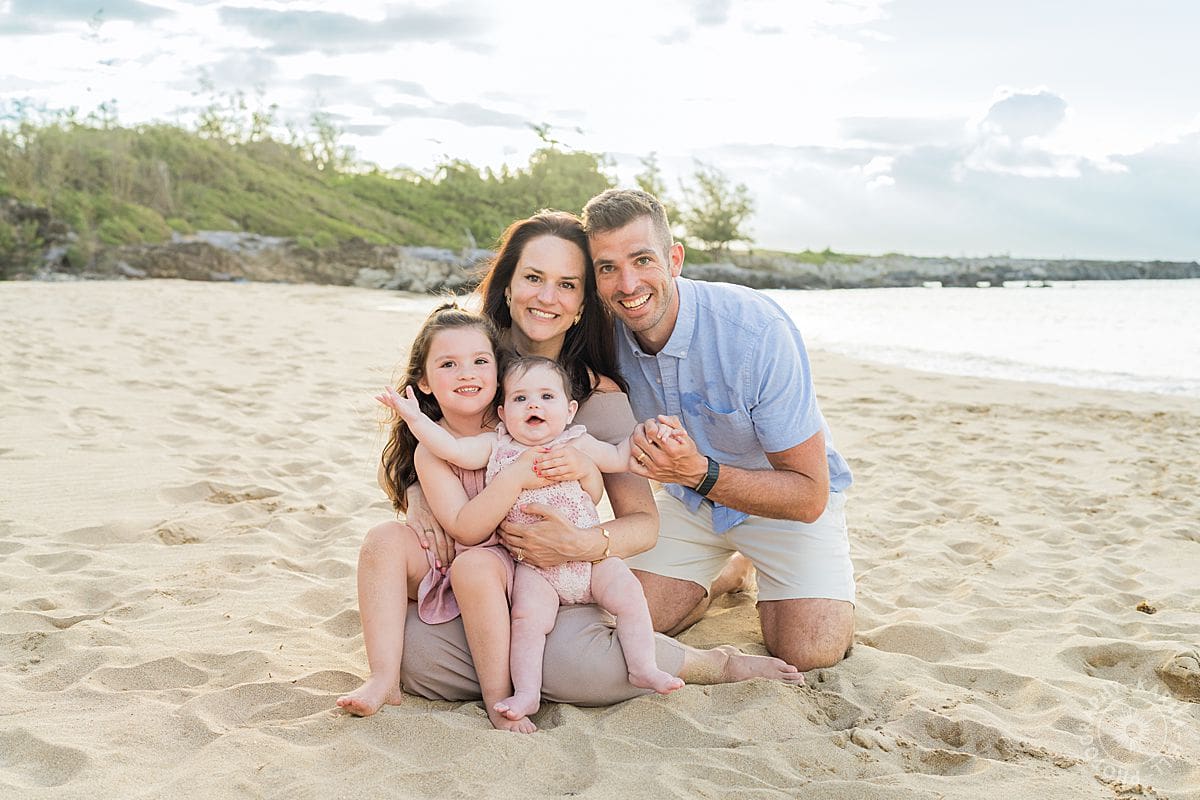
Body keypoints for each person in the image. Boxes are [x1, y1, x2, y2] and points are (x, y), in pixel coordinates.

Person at [391, 211, 808, 708]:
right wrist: (416, 494)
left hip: (557, 571)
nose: (547, 297)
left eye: (567, 284)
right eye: (533, 278)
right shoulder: (471, 359)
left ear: (583, 302)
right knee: (417, 659)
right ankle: (524, 668)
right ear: (507, 286)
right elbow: (410, 449)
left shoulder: (597, 394)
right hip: (479, 573)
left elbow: (643, 525)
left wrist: (580, 541)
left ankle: (713, 661)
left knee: (583, 668)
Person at [580, 188, 856, 671]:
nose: (627, 283)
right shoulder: (600, 337)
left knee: (809, 650)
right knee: (620, 620)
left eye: (642, 260)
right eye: (607, 267)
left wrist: (698, 472)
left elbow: (810, 495)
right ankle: (726, 576)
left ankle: (757, 565)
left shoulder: (756, 332)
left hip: (782, 503)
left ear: (674, 259)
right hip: (691, 504)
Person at [382, 354, 683, 722]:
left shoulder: (576, 442)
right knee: (527, 622)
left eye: (546, 397)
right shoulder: (496, 446)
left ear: (570, 410)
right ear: (503, 412)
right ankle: (525, 694)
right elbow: (451, 450)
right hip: (534, 568)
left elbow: (620, 456)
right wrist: (414, 418)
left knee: (629, 594)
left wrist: (655, 438)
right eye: (521, 399)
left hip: (590, 561)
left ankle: (643, 666)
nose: (534, 405)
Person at [337, 303, 546, 732]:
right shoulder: (430, 450)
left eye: (479, 361)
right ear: (425, 383)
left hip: (512, 562)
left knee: (474, 566)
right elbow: (465, 528)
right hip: (454, 551)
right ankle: (383, 678)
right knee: (383, 539)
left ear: (499, 370)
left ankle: (498, 701)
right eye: (449, 364)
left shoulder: (522, 424)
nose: (467, 373)